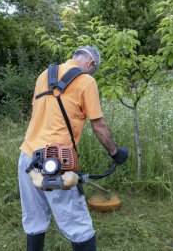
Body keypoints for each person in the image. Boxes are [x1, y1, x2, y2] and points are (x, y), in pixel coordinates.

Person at [18, 46, 128, 251]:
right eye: (93, 69)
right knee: (78, 225)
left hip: (27, 156)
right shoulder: (86, 81)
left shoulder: (43, 75)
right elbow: (99, 126)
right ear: (91, 63)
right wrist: (115, 152)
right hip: (55, 160)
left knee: (34, 219)